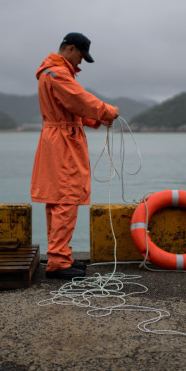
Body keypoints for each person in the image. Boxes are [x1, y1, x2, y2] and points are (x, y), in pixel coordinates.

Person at [31, 33, 119, 280]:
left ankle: (61, 257)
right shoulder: (57, 73)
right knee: (66, 199)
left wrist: (93, 120)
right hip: (63, 142)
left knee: (57, 200)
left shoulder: (50, 72)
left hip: (56, 137)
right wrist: (107, 112)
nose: (80, 63)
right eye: (80, 56)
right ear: (70, 49)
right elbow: (79, 99)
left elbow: (70, 106)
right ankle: (59, 262)